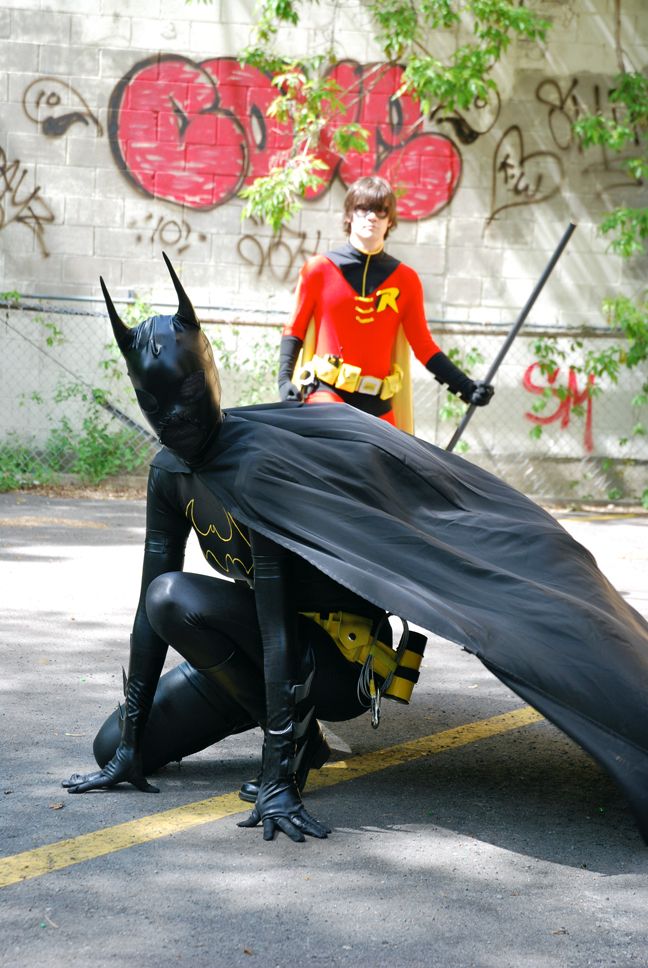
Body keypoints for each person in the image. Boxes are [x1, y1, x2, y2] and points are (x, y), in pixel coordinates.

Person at [65, 254, 648, 846]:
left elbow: (270, 624)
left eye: (189, 391)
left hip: (335, 665)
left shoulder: (256, 468)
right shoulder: (169, 473)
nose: (177, 415)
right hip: (254, 660)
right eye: (154, 403)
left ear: (211, 374)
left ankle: (296, 741)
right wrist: (133, 743)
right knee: (110, 743)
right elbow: (147, 613)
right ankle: (290, 734)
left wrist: (277, 775)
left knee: (173, 598)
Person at [278, 175, 494, 429]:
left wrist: (466, 387)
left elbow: (424, 346)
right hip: (326, 394)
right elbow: (295, 329)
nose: (372, 217)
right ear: (349, 215)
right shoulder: (318, 270)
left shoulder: (406, 280)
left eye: (381, 211)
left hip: (379, 405)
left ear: (390, 221)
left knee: (386, 467)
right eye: (363, 209)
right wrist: (284, 380)